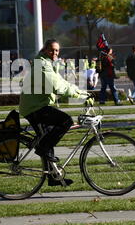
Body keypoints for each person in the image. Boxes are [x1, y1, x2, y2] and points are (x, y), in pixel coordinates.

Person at [19, 39, 91, 187]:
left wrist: (81, 92)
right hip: (34, 107)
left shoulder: (46, 64)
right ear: (45, 50)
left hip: (37, 105)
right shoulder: (42, 65)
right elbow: (58, 87)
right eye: (52, 50)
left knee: (47, 138)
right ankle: (43, 150)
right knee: (66, 121)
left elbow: (62, 82)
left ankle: (53, 177)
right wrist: (80, 95)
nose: (55, 53)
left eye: (57, 51)